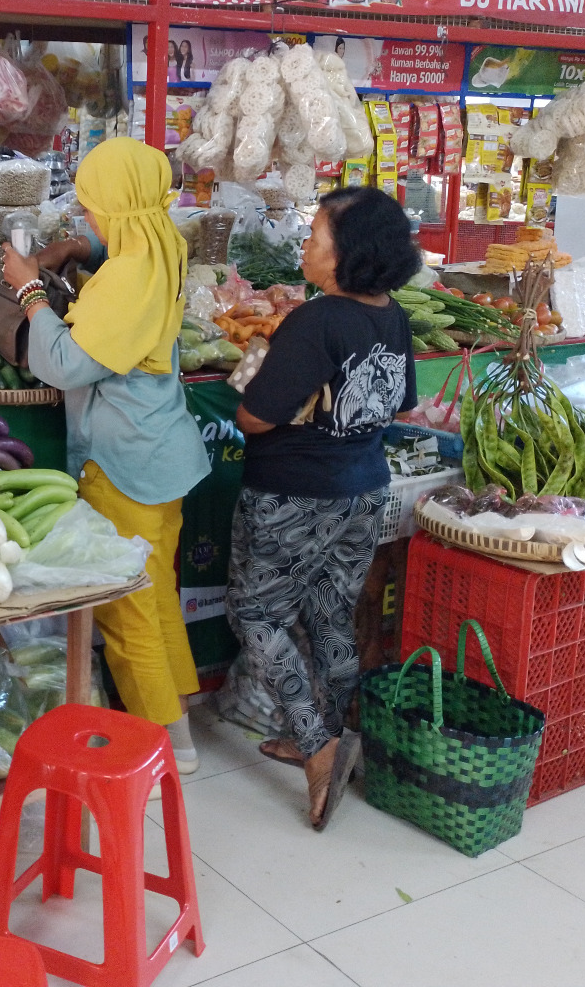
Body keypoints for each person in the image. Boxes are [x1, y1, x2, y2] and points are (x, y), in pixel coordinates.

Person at [0, 137, 211, 774]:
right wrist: (76, 249)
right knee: (158, 592)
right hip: (165, 453)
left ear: (119, 209)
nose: (88, 220)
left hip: (126, 464)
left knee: (127, 608)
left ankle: (166, 741)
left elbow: (65, 365)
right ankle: (177, 705)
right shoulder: (162, 242)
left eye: (93, 212)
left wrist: (31, 289)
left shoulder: (125, 279)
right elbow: (123, 251)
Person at [227, 187, 423, 831]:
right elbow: (397, 403)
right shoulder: (389, 315)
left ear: (349, 254)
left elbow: (255, 418)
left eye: (315, 237)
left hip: (295, 494)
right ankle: (332, 733)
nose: (305, 246)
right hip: (363, 487)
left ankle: (317, 745)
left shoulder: (317, 321)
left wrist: (270, 377)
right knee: (331, 615)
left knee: (257, 614)